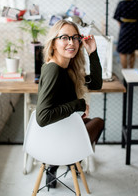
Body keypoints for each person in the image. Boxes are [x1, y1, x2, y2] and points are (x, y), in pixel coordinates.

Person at [36, 19, 104, 189]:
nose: (71, 42)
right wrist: (78, 104)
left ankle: (54, 165)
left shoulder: (68, 68)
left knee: (87, 123)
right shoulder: (53, 70)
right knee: (98, 122)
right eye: (64, 37)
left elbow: (96, 83)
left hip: (58, 133)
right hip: (58, 138)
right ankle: (72, 161)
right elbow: (43, 118)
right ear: (53, 43)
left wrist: (92, 52)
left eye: (75, 37)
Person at [113, 0, 138, 68]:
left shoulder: (121, 3)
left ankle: (125, 72)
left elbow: (117, 17)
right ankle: (131, 71)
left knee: (123, 52)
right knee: (132, 51)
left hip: (124, 29)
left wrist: (123, 25)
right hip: (134, 29)